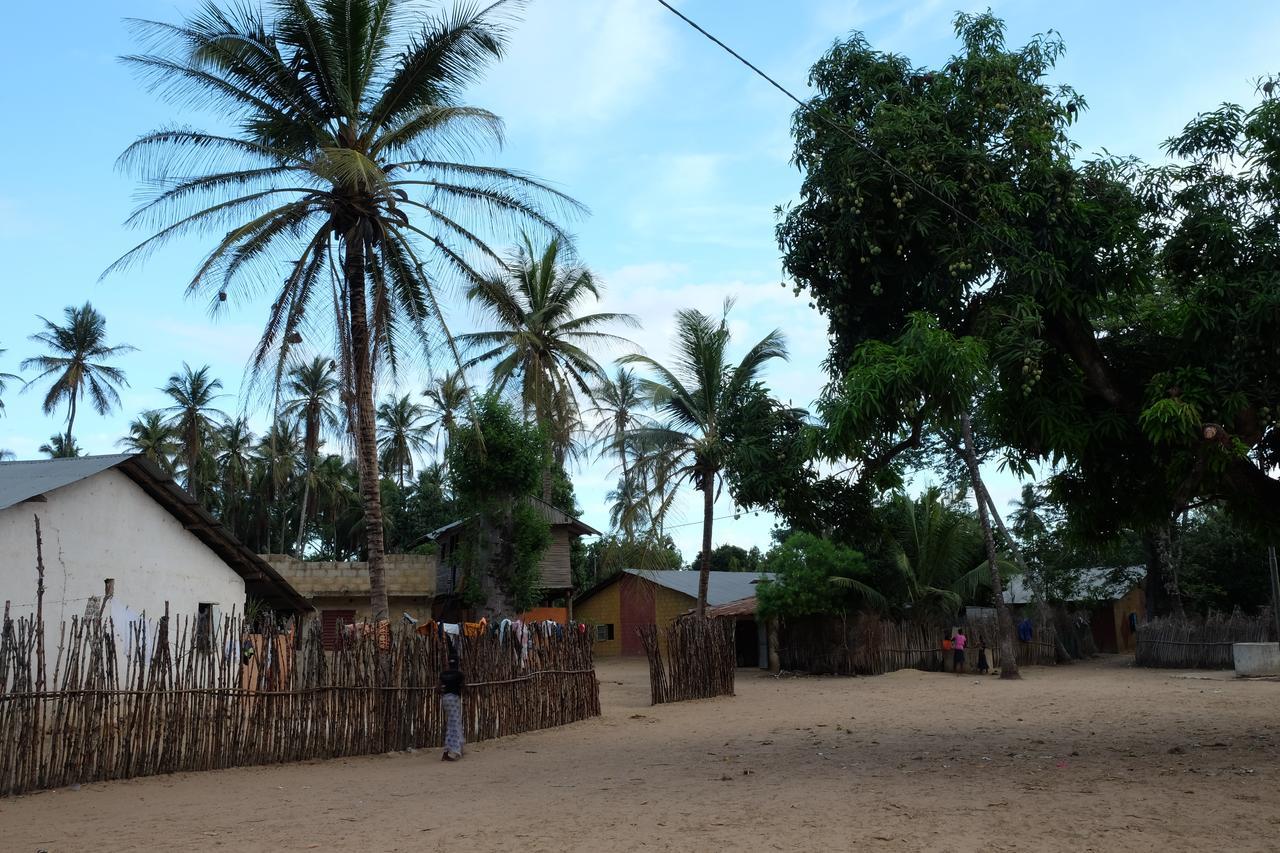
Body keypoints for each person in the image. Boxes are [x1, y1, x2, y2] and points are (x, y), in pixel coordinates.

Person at [441, 654, 465, 761]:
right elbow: (463, 686)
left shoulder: (443, 674)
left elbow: (437, 688)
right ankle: (453, 751)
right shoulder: (459, 674)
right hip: (454, 699)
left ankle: (453, 749)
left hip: (445, 699)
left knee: (451, 723)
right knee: (454, 724)